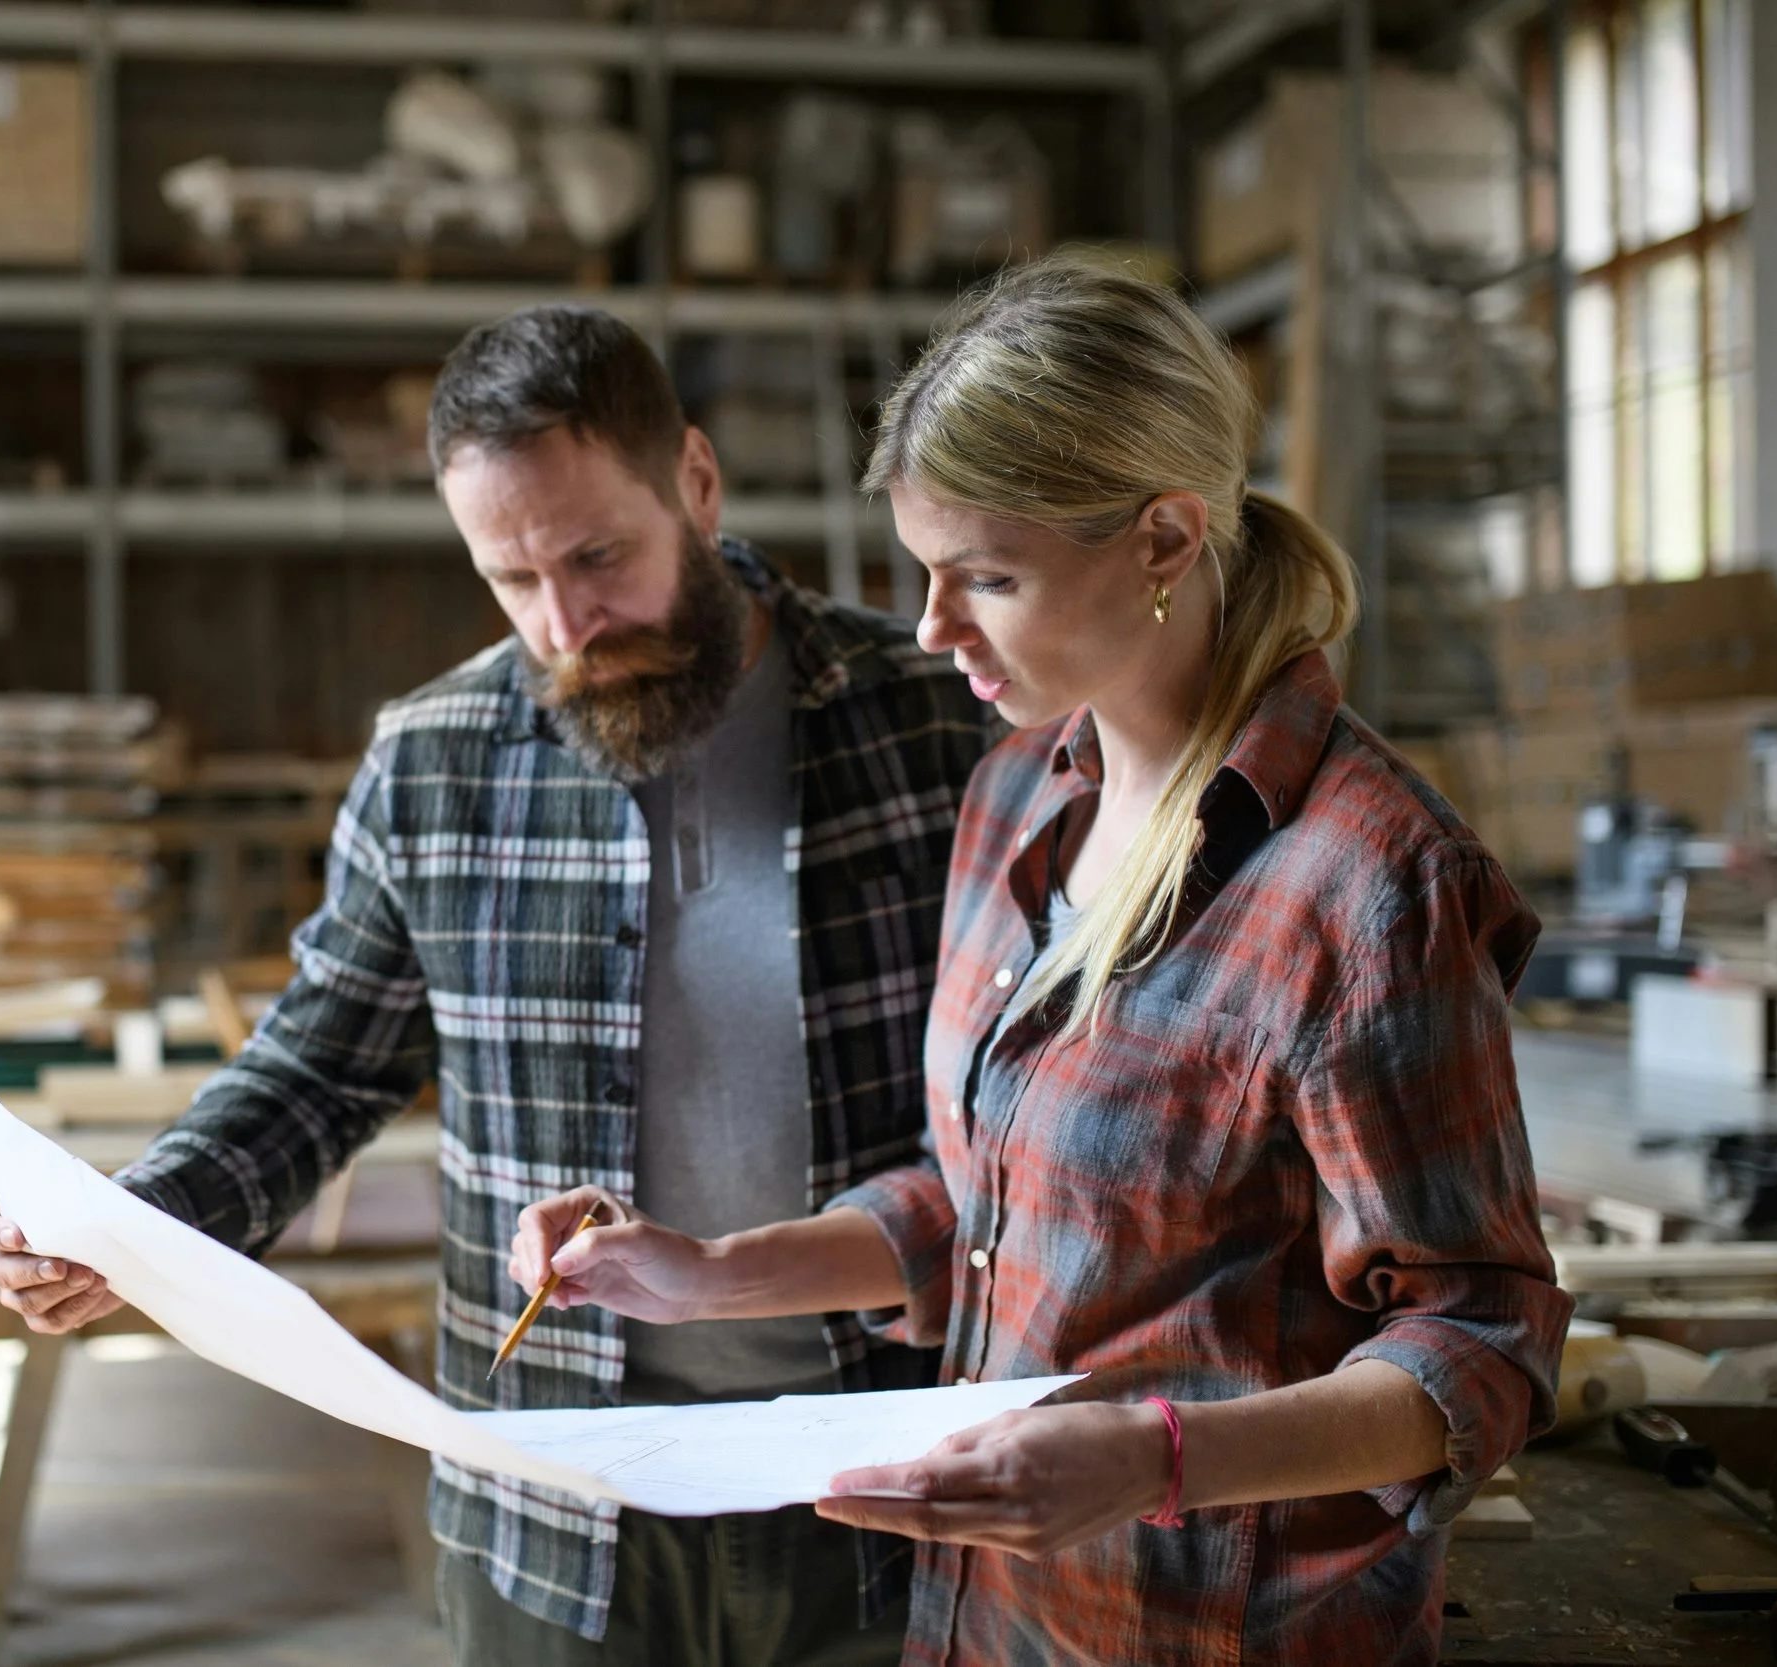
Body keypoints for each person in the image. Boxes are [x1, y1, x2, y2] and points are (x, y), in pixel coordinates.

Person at [507, 255, 1572, 1665]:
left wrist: (1157, 1459)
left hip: (1218, 1629)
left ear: (1166, 541)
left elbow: (1484, 1336)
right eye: (925, 574)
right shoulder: (1018, 799)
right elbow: (989, 1201)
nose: (936, 628)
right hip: (994, 1620)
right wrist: (706, 1271)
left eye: (988, 576)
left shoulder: (1370, 884)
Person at [0, 303, 989, 1665]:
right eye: (510, 579)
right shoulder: (433, 760)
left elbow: (1021, 1099)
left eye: (598, 555)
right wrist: (135, 1221)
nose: (566, 622)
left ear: (694, 479)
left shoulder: (929, 722)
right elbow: (319, 1067)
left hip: (881, 1469)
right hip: (552, 1505)